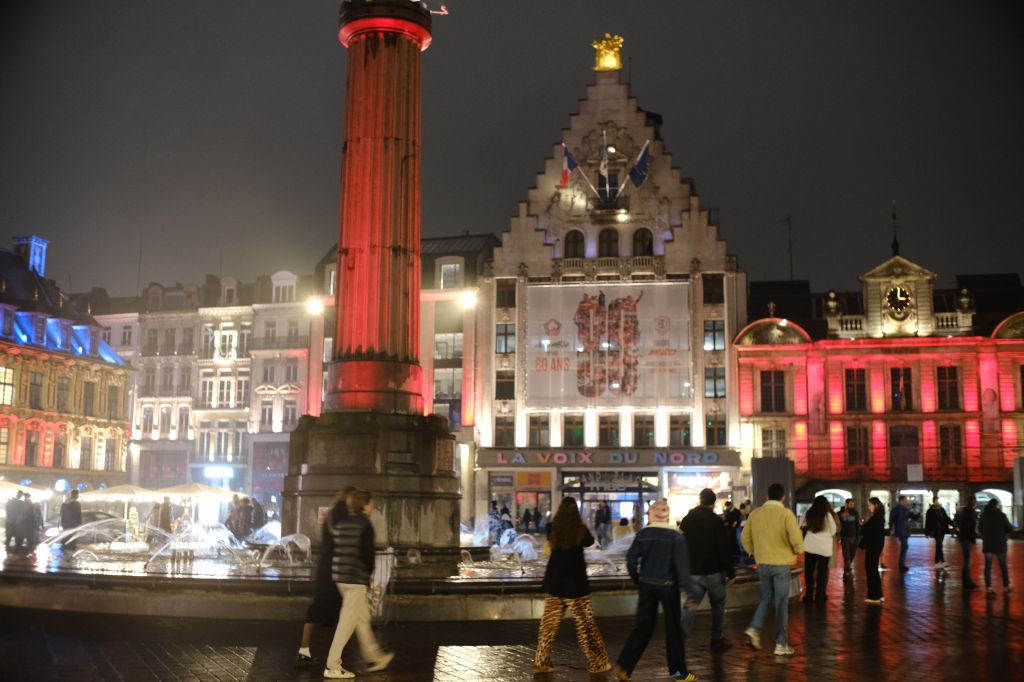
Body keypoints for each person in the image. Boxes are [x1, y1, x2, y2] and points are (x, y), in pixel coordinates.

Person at [612, 500, 696, 681]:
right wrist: (690, 592)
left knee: (642, 627)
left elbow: (631, 560)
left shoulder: (643, 534)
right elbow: (682, 567)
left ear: (651, 514)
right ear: (667, 514)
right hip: (668, 586)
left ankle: (624, 666)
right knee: (673, 629)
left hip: (646, 585)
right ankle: (679, 672)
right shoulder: (676, 535)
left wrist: (637, 579)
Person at [533, 497, 611, 675]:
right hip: (575, 586)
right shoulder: (580, 529)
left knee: (548, 625)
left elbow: (551, 544)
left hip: (555, 584)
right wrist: (581, 525)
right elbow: (590, 542)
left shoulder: (552, 528)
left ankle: (541, 663)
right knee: (586, 626)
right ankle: (598, 663)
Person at [323, 490, 393, 679]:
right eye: (371, 503)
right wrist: (368, 576)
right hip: (355, 579)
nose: (373, 506)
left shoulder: (342, 523)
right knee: (347, 623)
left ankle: (376, 657)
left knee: (361, 619)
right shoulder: (365, 525)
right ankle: (333, 665)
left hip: (340, 577)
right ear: (364, 505)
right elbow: (368, 556)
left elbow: (335, 549)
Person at [741, 484, 803, 656]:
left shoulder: (755, 514)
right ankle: (780, 644)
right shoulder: (786, 514)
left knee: (767, 597)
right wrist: (799, 550)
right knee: (781, 603)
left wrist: (754, 552)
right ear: (783, 497)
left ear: (768, 497)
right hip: (781, 564)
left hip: (763, 564)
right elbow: (795, 536)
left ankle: (754, 628)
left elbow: (744, 537)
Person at [296, 487, 353, 666]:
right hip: (335, 568)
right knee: (343, 611)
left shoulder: (332, 512)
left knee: (319, 607)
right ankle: (335, 656)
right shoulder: (344, 513)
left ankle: (305, 650)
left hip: (325, 566)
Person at [680, 488, 736, 651]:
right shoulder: (716, 521)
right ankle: (717, 638)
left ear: (700, 500)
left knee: (691, 603)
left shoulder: (687, 520)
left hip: (693, 571)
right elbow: (723, 548)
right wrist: (731, 571)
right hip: (714, 571)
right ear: (713, 502)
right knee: (718, 604)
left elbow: (682, 544)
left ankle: (681, 633)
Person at [800, 496, 838, 603]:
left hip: (810, 547)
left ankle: (808, 596)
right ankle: (820, 597)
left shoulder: (808, 513)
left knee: (809, 572)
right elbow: (833, 531)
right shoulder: (828, 515)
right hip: (824, 549)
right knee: (822, 572)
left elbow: (800, 525)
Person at [978, 498, 1013, 594]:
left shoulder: (983, 515)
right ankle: (1006, 586)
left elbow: (980, 529)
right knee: (1003, 566)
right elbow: (1009, 528)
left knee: (988, 566)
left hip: (988, 544)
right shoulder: (1001, 515)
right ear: (997, 505)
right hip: (1000, 544)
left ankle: (989, 587)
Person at [860, 497, 886, 604]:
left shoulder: (876, 518)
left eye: (870, 504)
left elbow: (868, 530)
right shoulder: (879, 517)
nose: (868, 506)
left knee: (871, 570)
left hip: (873, 547)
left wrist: (862, 525)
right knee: (873, 570)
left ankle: (874, 596)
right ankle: (879, 595)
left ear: (875, 505)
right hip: (876, 546)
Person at [953, 495, 979, 589]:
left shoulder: (966, 511)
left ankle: (966, 581)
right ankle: (967, 583)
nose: (976, 503)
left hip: (964, 538)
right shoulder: (970, 512)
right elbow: (968, 527)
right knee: (967, 562)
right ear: (973, 502)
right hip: (966, 539)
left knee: (967, 561)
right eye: (975, 501)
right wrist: (972, 537)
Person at [888, 495, 918, 571]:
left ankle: (901, 564)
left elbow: (912, 516)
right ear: (901, 501)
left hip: (905, 530)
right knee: (905, 545)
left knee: (904, 547)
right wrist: (891, 528)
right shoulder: (896, 509)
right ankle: (901, 564)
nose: (907, 501)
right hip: (900, 529)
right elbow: (892, 519)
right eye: (906, 500)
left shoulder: (905, 509)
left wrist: (918, 515)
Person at [924, 499, 951, 567]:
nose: (938, 502)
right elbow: (928, 522)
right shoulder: (930, 511)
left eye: (938, 501)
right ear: (934, 502)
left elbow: (946, 518)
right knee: (939, 545)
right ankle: (942, 561)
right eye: (936, 501)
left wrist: (954, 525)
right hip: (935, 531)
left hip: (942, 530)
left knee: (939, 546)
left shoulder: (941, 510)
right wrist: (927, 532)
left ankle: (937, 562)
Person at [837, 498, 860, 577]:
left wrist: (858, 535)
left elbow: (857, 524)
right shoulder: (840, 513)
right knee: (846, 554)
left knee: (852, 554)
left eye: (853, 504)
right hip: (844, 537)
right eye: (850, 504)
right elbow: (838, 525)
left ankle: (847, 568)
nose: (852, 505)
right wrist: (838, 535)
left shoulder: (855, 513)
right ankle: (848, 571)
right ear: (846, 504)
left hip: (854, 536)